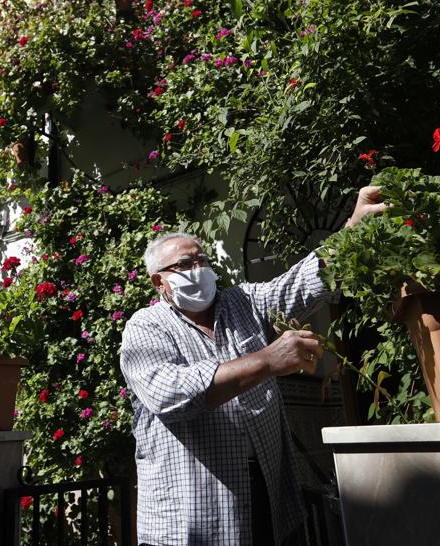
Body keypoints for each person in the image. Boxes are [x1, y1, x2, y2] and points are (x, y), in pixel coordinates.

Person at [119, 187, 386, 546]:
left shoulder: (242, 301)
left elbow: (299, 285)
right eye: (184, 265)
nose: (198, 270)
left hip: (267, 496)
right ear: (159, 281)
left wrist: (353, 228)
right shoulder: (145, 326)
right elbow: (170, 393)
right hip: (193, 514)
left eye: (202, 261)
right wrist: (266, 360)